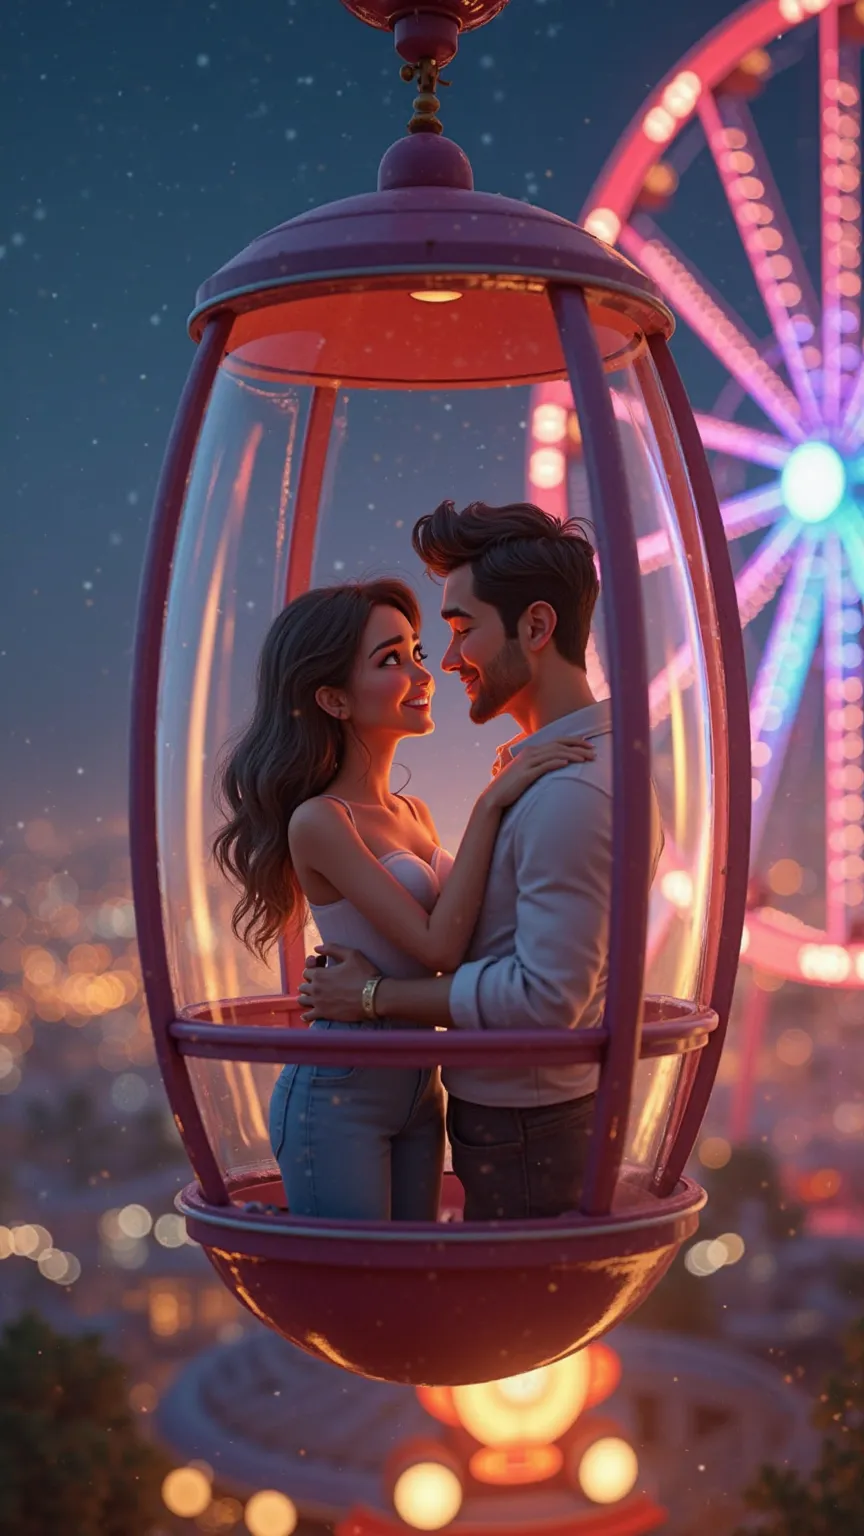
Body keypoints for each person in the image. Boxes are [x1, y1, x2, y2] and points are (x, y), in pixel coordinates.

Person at [298, 500, 665, 1222]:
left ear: (535, 626)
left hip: (522, 1122)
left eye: (462, 630)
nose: (451, 659)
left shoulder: (569, 793)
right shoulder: (559, 774)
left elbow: (544, 1000)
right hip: (497, 1113)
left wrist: (373, 999)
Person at [212, 576, 594, 1222]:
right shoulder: (322, 821)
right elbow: (438, 944)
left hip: (423, 1084)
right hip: (341, 1091)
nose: (424, 673)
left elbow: (465, 926)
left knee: (414, 1277)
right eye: (391, 661)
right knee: (362, 1289)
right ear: (332, 698)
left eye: (416, 652)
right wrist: (492, 803)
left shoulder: (413, 813)